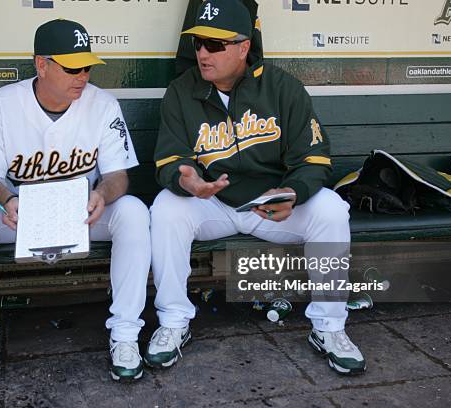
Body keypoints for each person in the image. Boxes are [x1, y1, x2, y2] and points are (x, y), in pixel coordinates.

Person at [146, 0, 366, 376]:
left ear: (244, 47)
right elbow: (169, 160)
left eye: (214, 45)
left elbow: (314, 159)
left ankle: (329, 327)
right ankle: (173, 321)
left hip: (269, 206)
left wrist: (293, 193)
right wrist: (188, 181)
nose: (202, 53)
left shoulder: (282, 88)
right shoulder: (182, 92)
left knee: (330, 209)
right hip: (211, 204)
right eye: (198, 43)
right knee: (166, 208)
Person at [0, 19, 151, 395]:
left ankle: (125, 334)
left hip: (82, 214)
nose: (83, 76)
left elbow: (119, 176)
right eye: (72, 67)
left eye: (87, 66)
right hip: (20, 215)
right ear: (41, 65)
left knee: (134, 211)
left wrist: (103, 195)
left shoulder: (103, 104)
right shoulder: (4, 104)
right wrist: (5, 199)